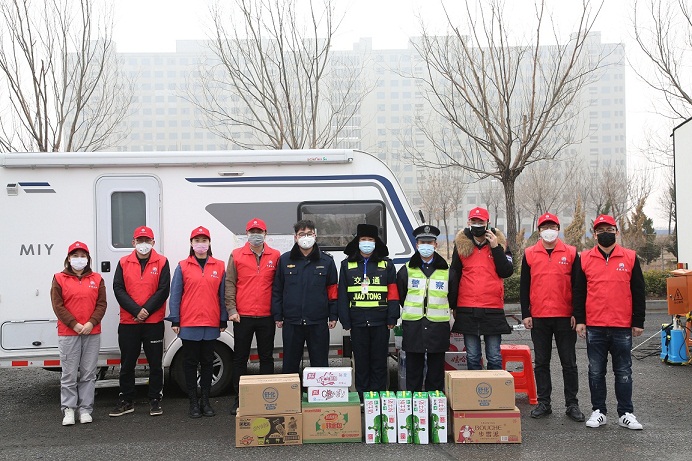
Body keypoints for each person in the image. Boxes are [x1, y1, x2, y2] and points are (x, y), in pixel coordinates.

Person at [574, 214, 646, 430]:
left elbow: (638, 291)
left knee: (623, 371)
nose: (605, 233)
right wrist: (580, 320)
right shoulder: (584, 258)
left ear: (617, 232)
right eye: (601, 230)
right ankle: (599, 411)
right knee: (596, 371)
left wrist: (638, 321)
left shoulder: (630, 257)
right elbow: (579, 292)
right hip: (595, 325)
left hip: (621, 325)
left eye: (609, 230)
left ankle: (626, 413)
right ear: (594, 234)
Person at [520, 213, 584, 422]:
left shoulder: (571, 253)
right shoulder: (530, 253)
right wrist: (526, 313)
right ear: (539, 231)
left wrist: (577, 314)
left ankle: (572, 404)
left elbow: (578, 286)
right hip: (539, 316)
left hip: (565, 317)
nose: (549, 230)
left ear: (558, 229)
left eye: (553, 227)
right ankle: (544, 403)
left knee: (569, 362)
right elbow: (524, 286)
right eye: (545, 227)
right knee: (541, 362)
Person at [167, 226, 228, 418]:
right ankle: (193, 402)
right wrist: (175, 319)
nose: (201, 244)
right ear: (191, 244)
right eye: (197, 241)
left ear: (209, 243)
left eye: (204, 240)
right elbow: (175, 295)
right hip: (189, 323)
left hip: (210, 322)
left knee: (208, 363)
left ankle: (206, 402)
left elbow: (222, 295)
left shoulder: (219, 266)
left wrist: (223, 318)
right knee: (190, 363)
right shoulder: (183, 266)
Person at [110, 226, 170, 418]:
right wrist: (137, 311)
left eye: (147, 240)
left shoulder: (162, 261)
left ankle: (155, 399)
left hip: (153, 322)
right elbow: (118, 288)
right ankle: (127, 400)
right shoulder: (123, 262)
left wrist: (146, 311)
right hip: (129, 322)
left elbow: (163, 290)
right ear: (133, 242)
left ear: (153, 242)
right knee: (127, 363)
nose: (143, 244)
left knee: (155, 363)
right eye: (140, 240)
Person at [226, 218, 280, 415]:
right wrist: (231, 309)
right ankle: (240, 399)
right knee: (240, 358)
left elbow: (278, 286)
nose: (256, 235)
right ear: (247, 234)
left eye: (259, 231)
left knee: (266, 358)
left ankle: (266, 397)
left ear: (265, 234)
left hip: (267, 315)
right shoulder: (236, 255)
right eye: (252, 231)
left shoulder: (275, 255)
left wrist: (278, 312)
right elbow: (230, 283)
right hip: (243, 316)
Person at [337, 224, 399, 397]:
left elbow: (393, 293)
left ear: (376, 242)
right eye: (363, 239)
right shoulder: (346, 265)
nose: (367, 243)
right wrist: (345, 320)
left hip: (380, 322)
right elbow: (342, 295)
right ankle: (363, 397)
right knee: (361, 362)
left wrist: (392, 317)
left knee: (379, 362)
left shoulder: (387, 264)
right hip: (357, 322)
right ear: (357, 242)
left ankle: (378, 398)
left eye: (370, 239)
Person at [448, 207, 513, 370]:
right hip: (467, 307)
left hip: (492, 308)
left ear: (487, 223)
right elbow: (454, 275)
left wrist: (496, 247)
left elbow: (506, 271)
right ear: (468, 222)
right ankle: (475, 387)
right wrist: (453, 305)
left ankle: (495, 386)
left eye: (481, 222)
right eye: (474, 221)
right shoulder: (461, 246)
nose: (477, 225)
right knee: (472, 356)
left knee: (494, 356)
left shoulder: (500, 243)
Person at [50, 241, 107, 426]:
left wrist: (91, 323)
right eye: (75, 256)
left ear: (88, 259)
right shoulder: (59, 278)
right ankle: (68, 409)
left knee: (89, 373)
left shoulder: (97, 279)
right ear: (68, 258)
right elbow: (58, 305)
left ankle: (85, 410)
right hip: (68, 333)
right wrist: (74, 324)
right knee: (69, 374)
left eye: (83, 256)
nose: (79, 259)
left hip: (92, 332)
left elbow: (101, 304)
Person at [271, 220, 338, 373]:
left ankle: (318, 389)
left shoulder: (327, 261)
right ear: (295, 237)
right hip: (292, 321)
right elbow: (277, 290)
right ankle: (292, 389)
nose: (306, 237)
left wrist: (333, 315)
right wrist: (278, 315)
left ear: (315, 235)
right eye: (302, 234)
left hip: (318, 321)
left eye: (309, 234)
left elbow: (333, 291)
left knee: (320, 365)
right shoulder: (285, 260)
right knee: (290, 365)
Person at [396, 225, 450, 392]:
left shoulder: (447, 271)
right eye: (422, 242)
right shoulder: (406, 270)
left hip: (437, 327)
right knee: (413, 373)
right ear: (417, 245)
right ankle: (414, 406)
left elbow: (453, 296)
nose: (426, 246)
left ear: (436, 244)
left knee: (436, 374)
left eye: (429, 242)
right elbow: (401, 295)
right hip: (414, 327)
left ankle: (434, 405)